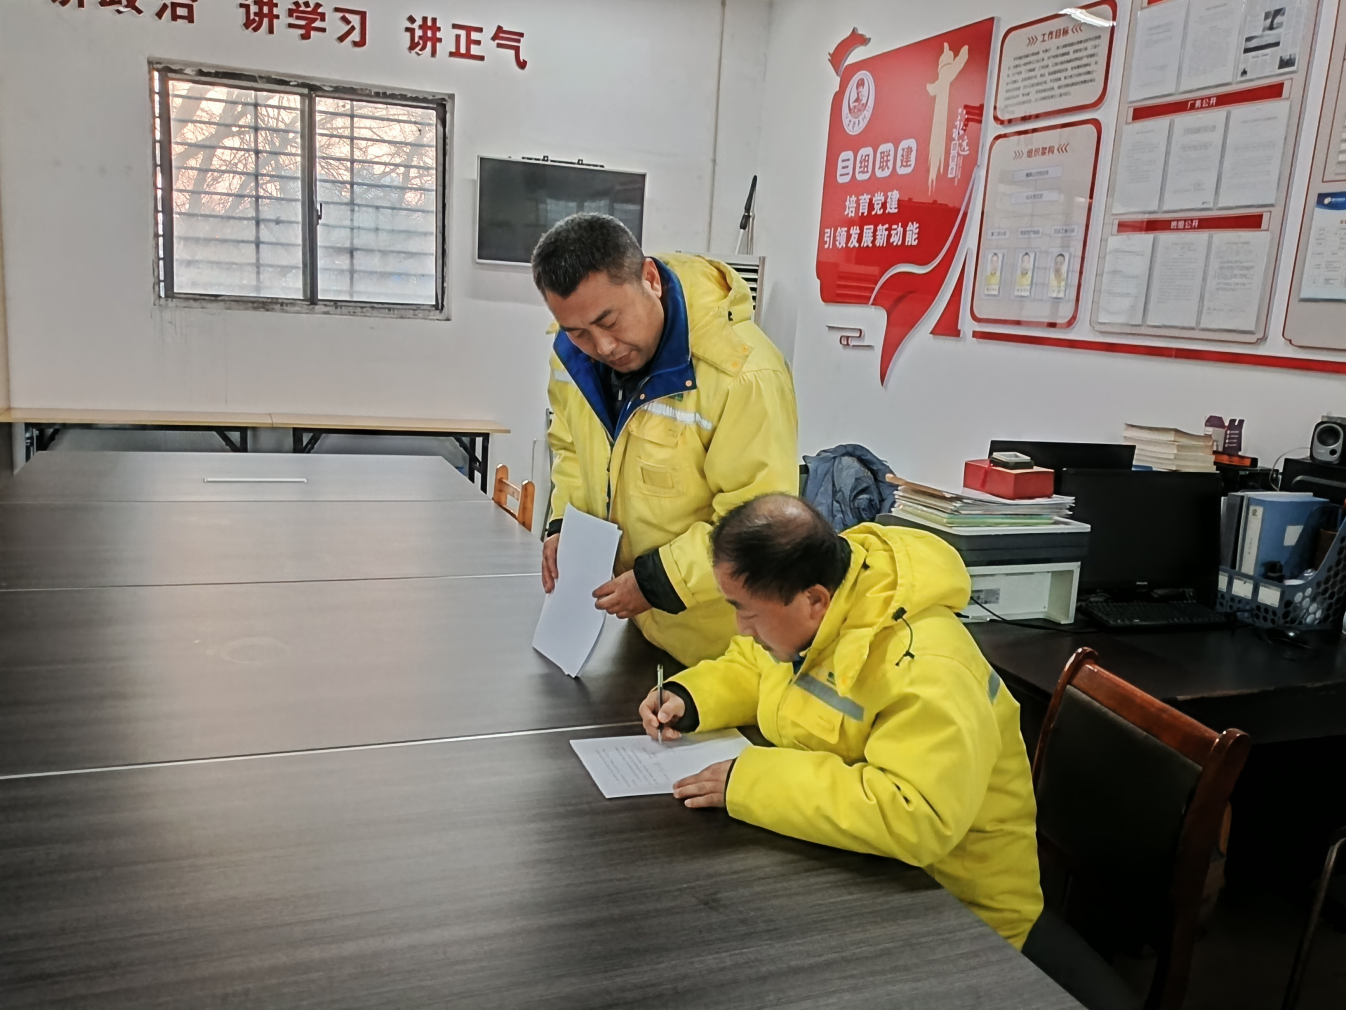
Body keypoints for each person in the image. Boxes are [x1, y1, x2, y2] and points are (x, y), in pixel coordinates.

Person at [638, 494, 1043, 948]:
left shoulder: (927, 665)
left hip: (959, 913)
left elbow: (914, 815)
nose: (741, 627)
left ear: (814, 600)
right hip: (867, 868)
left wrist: (751, 783)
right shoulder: (825, 600)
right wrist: (691, 697)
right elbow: (758, 665)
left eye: (746, 611)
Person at [532, 214, 799, 667]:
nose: (604, 347)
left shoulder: (744, 375)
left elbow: (757, 523)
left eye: (609, 320)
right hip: (642, 627)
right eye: (579, 332)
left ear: (650, 280)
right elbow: (573, 449)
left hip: (721, 649)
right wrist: (564, 526)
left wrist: (659, 581)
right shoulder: (573, 356)